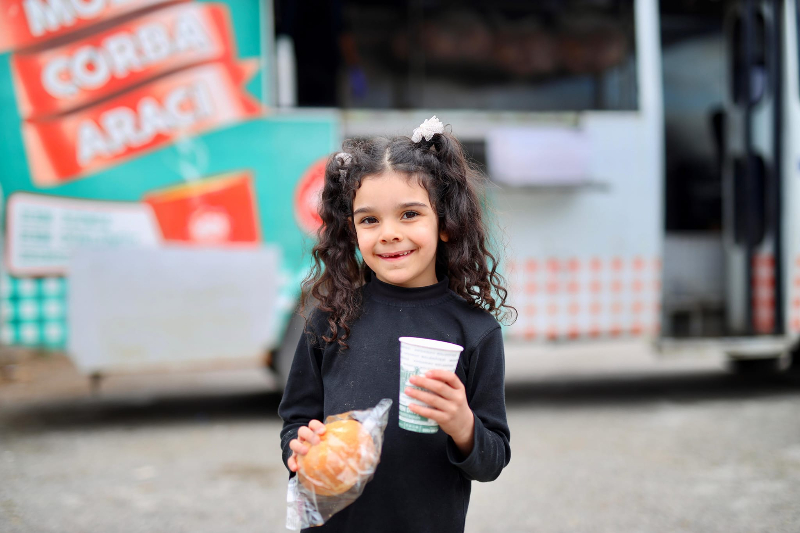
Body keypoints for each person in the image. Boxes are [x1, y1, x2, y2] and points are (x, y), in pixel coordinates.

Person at [278, 116, 514, 533]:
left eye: (409, 214)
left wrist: (463, 425)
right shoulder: (330, 318)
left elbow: (491, 460)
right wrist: (300, 445)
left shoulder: (475, 332)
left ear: (445, 223)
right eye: (369, 220)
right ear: (351, 230)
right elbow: (296, 420)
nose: (388, 233)